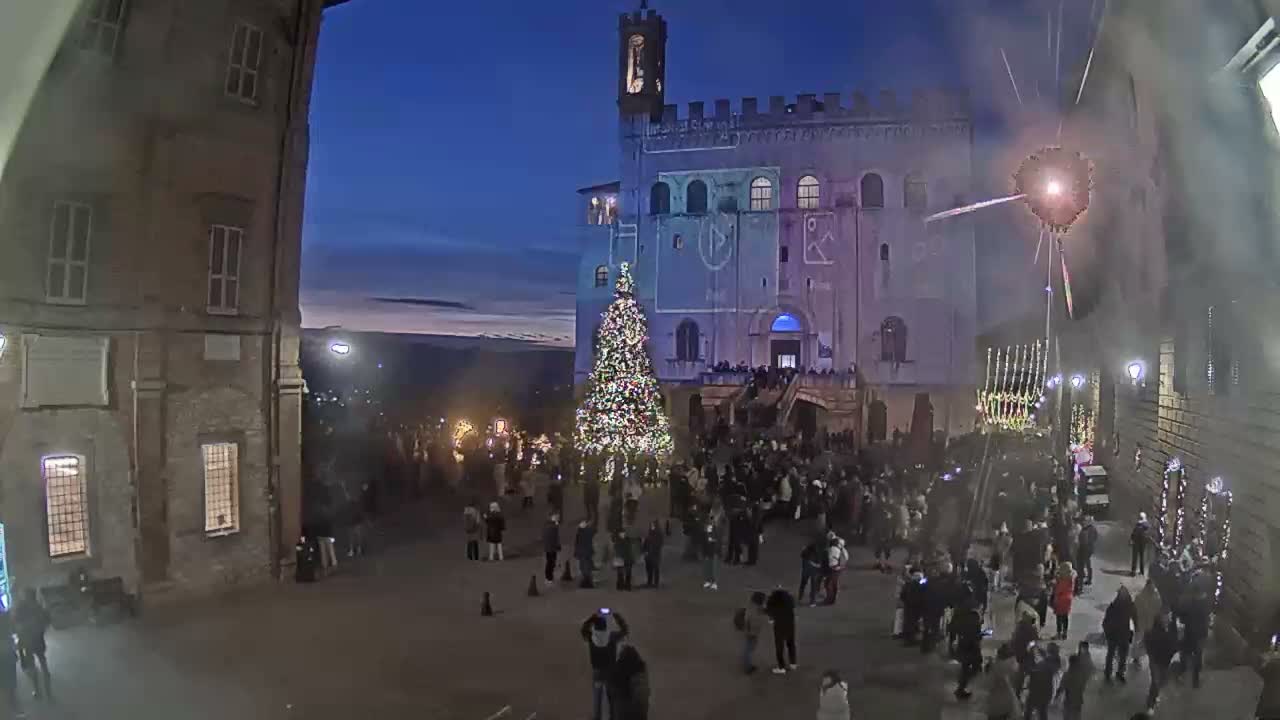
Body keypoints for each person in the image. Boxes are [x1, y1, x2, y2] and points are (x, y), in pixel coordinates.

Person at [581, 611, 629, 720]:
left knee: (597, 697)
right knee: (611, 697)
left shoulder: (591, 636)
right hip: (610, 672)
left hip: (597, 671)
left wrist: (592, 618)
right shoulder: (612, 636)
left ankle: (596, 717)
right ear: (605, 627)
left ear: (595, 627)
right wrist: (618, 618)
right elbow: (625, 630)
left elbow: (583, 629)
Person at [13, 588, 51, 700]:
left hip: (27, 640)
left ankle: (37, 691)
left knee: (32, 665)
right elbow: (46, 620)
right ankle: (47, 683)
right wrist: (40, 630)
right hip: (38, 639)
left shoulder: (21, 607)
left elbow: (15, 621)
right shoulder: (38, 606)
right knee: (42, 660)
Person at [1144, 610, 1178, 713]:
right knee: (1156, 682)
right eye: (1164, 618)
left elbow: (1173, 645)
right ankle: (1150, 704)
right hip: (1156, 661)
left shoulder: (1168, 631)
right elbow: (1149, 644)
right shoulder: (1155, 633)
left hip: (1163, 661)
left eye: (1167, 618)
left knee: (1161, 681)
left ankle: (1155, 695)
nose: (1167, 620)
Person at [1103, 586, 1137, 683]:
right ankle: (1120, 673)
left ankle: (1108, 673)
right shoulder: (1130, 605)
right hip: (1123, 634)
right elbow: (1135, 618)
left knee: (1111, 654)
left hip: (1114, 635)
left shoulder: (1113, 606)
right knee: (1123, 655)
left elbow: (1105, 622)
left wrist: (1107, 633)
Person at [952, 598, 983, 700]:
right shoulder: (973, 617)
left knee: (966, 667)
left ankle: (961, 687)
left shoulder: (961, 615)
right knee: (970, 668)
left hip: (963, 644)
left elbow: (954, 628)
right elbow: (975, 632)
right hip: (971, 646)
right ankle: (960, 688)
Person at [609, 645, 650, 720]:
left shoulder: (616, 671)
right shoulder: (640, 671)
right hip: (639, 714)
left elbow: (612, 696)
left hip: (622, 712)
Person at [766, 587, 798, 675]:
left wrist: (771, 619)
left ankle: (781, 667)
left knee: (779, 647)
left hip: (779, 627)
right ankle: (793, 663)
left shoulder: (773, 602)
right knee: (791, 644)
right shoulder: (789, 601)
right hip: (790, 624)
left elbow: (769, 612)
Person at [986, 644, 1022, 720]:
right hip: (1008, 701)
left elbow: (989, 685)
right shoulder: (1012, 667)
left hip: (996, 702)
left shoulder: (995, 667)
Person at [1132, 578, 1162, 669]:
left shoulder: (1156, 596)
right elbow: (1134, 612)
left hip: (1150, 624)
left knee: (1147, 642)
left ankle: (1142, 656)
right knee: (1138, 641)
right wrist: (1135, 624)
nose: (1153, 588)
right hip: (1141, 624)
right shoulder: (1139, 597)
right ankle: (1136, 658)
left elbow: (1158, 610)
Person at [741, 591, 768, 674]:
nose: (765, 601)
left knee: (750, 648)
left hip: (753, 632)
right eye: (763, 600)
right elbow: (748, 621)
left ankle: (748, 664)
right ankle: (747, 667)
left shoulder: (755, 607)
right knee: (748, 649)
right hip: (752, 633)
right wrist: (749, 632)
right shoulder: (753, 610)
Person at [0, 609, 19, 718]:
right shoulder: (5, 617)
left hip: (5, 651)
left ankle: (8, 705)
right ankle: (13, 703)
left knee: (4, 679)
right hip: (7, 651)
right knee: (10, 677)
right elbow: (12, 632)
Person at [1051, 562, 1075, 640]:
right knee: (1065, 617)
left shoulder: (1061, 581)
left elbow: (1058, 590)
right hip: (1068, 600)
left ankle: (1058, 633)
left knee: (1059, 617)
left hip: (1060, 600)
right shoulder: (1071, 579)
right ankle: (1065, 633)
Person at [1075, 516, 1097, 593]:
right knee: (1088, 563)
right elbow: (1095, 538)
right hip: (1089, 549)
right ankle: (1089, 579)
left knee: (1080, 567)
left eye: (1084, 521)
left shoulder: (1084, 530)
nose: (1083, 522)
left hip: (1084, 550)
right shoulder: (1093, 529)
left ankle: (1080, 587)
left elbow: (1081, 541)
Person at [799, 539, 824, 607]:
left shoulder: (805, 553)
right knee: (813, 587)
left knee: (803, 584)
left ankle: (800, 596)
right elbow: (819, 565)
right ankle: (812, 602)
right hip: (813, 573)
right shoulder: (817, 555)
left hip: (805, 572)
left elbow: (802, 555)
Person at [825, 537, 849, 606]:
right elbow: (846, 558)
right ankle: (832, 599)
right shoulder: (843, 550)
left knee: (829, 584)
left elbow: (831, 562)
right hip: (839, 568)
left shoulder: (833, 549)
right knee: (832, 583)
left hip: (834, 569)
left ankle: (830, 599)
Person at [576, 519, 597, 589]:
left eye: (584, 523)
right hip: (582, 552)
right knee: (583, 566)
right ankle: (586, 581)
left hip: (586, 551)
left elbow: (593, 531)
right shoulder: (579, 531)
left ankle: (587, 582)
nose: (582, 524)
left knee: (586, 567)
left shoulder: (587, 531)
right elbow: (577, 543)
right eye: (581, 523)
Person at [642, 520, 664, 588]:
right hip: (648, 555)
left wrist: (653, 550)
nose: (652, 526)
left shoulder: (659, 534)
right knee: (649, 569)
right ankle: (649, 582)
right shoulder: (649, 534)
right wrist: (644, 550)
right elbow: (645, 543)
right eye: (651, 525)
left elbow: (659, 544)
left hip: (655, 554)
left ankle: (656, 583)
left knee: (655, 568)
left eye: (653, 525)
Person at [542, 513, 562, 585]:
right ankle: (548, 578)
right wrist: (558, 546)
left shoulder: (547, 525)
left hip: (548, 547)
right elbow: (556, 538)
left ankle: (549, 577)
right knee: (551, 563)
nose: (558, 518)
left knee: (550, 562)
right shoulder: (553, 527)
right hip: (552, 548)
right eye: (557, 517)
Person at [701, 521, 720, 590]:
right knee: (708, 567)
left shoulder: (712, 530)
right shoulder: (706, 531)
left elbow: (714, 541)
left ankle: (713, 582)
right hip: (708, 552)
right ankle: (709, 581)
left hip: (711, 552)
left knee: (712, 567)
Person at [1130, 512, 1151, 577]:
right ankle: (1142, 571)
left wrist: (1131, 539)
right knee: (1142, 557)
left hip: (1136, 542)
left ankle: (1133, 571)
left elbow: (1134, 533)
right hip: (1143, 543)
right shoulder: (1147, 526)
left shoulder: (1138, 525)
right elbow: (1148, 535)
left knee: (1135, 557)